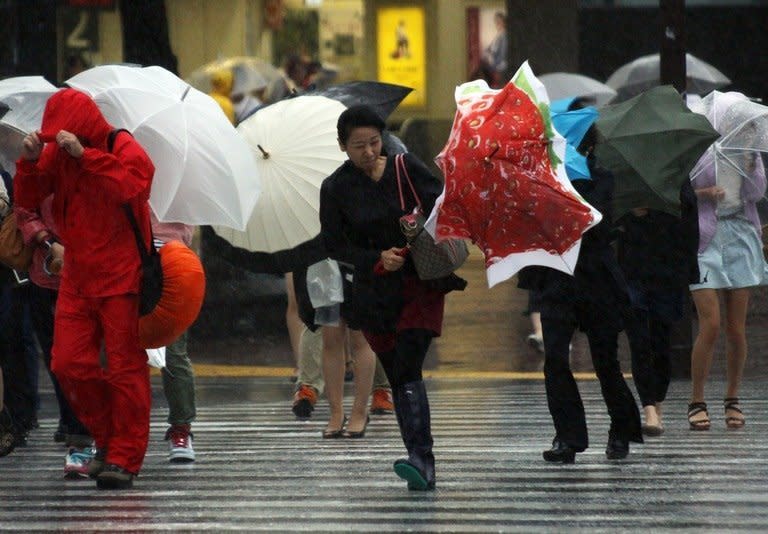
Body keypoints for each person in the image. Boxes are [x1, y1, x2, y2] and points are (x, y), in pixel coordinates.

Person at [14, 88, 155, 490]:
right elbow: (29, 197)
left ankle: (125, 456)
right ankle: (110, 439)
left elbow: (134, 185)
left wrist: (84, 156)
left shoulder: (119, 143)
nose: (56, 142)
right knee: (66, 364)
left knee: (126, 368)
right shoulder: (58, 151)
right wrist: (28, 163)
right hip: (76, 276)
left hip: (121, 277)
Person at [320, 105, 466, 490]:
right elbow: (334, 244)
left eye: (374, 142)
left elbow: (441, 207)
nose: (368, 152)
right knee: (399, 371)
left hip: (419, 283)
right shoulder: (336, 188)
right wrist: (376, 260)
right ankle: (418, 458)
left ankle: (422, 458)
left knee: (407, 364)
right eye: (358, 146)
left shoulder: (405, 167)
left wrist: (416, 227)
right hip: (374, 292)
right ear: (342, 147)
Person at [518, 112, 642, 464]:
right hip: (556, 278)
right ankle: (568, 437)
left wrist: (564, 201)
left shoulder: (602, 179)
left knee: (606, 361)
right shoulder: (541, 181)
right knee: (555, 358)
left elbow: (597, 227)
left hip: (596, 279)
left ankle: (621, 429)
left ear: (585, 146)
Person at [688, 107, 767, 431]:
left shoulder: (749, 156)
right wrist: (705, 194)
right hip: (706, 238)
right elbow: (681, 192)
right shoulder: (702, 152)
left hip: (739, 235)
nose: (747, 132)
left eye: (751, 129)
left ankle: (732, 397)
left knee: (737, 327)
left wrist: (751, 167)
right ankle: (697, 400)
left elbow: (756, 194)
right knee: (711, 323)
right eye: (742, 126)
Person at [16, 197, 95, 477]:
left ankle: (86, 435)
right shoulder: (36, 159)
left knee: (84, 358)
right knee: (58, 360)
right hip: (45, 275)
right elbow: (24, 210)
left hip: (89, 276)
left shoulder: (93, 161)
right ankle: (76, 431)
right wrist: (49, 242)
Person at [616, 181, 699, 436]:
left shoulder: (677, 184)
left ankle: (657, 402)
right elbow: (606, 221)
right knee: (640, 342)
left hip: (667, 273)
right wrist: (631, 215)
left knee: (661, 344)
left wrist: (654, 212)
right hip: (632, 272)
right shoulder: (621, 181)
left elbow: (689, 229)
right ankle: (649, 408)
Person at [150, 211, 198, 462]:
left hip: (172, 261)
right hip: (126, 258)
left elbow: (185, 230)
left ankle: (182, 428)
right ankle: (116, 431)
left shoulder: (181, 176)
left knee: (173, 353)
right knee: (121, 351)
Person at [482, 12, 508, 88]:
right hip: (494, 64)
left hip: (500, 66)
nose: (497, 24)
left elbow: (503, 54)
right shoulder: (498, 35)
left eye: (499, 22)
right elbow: (489, 48)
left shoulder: (504, 35)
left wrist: (494, 64)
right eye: (496, 22)